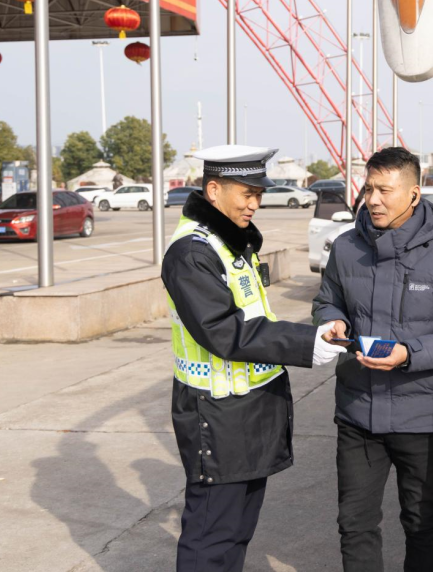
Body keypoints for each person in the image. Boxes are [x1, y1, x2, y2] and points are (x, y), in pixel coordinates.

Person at [161, 144, 347, 572]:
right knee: (211, 537)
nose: (254, 204)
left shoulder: (230, 243)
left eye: (258, 194)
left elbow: (255, 318)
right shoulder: (193, 252)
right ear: (213, 190)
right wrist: (305, 342)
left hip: (244, 411)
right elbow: (222, 330)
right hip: (216, 414)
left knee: (236, 531)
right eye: (246, 194)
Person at [313, 147, 433, 572]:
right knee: (354, 523)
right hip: (357, 412)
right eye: (369, 188)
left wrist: (408, 354)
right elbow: (327, 300)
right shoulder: (346, 248)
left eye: (385, 190)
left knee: (421, 524)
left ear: (414, 194)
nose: (373, 199)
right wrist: (331, 320)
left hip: (422, 417)